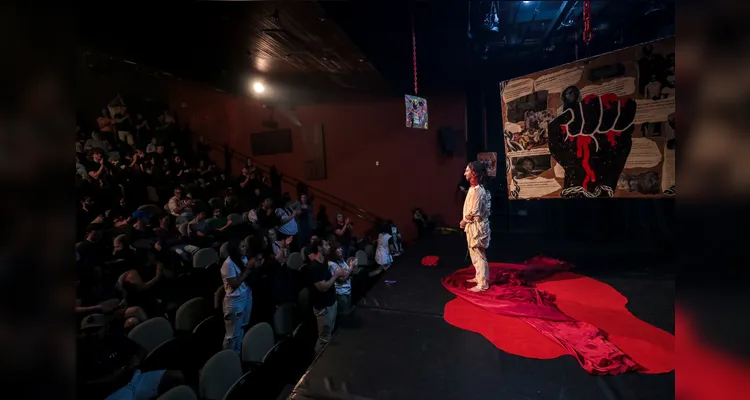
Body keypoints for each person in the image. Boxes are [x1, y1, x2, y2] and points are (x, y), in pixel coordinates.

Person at [305, 239, 346, 355]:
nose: (329, 247)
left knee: (329, 334)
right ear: (319, 248)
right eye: (326, 245)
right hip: (323, 307)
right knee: (323, 338)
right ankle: (316, 366)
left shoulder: (324, 263)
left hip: (331, 302)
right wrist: (336, 275)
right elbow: (322, 287)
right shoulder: (314, 267)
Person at [220, 238, 262, 354]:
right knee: (231, 335)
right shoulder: (228, 264)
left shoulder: (243, 258)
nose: (245, 248)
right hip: (235, 301)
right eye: (242, 247)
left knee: (242, 327)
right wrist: (248, 269)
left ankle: (237, 354)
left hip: (246, 295)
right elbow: (234, 284)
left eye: (245, 246)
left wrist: (255, 265)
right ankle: (227, 358)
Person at [459, 161, 492, 292]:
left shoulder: (478, 190)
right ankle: (479, 277)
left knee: (479, 253)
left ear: (474, 173)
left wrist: (464, 221)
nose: (465, 173)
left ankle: (483, 284)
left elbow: (474, 211)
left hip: (477, 226)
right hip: (473, 226)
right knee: (474, 253)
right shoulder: (474, 189)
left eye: (467, 171)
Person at [327, 241, 355, 316]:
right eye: (338, 248)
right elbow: (341, 280)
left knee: (348, 312)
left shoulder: (341, 260)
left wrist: (348, 270)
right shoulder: (332, 264)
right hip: (341, 293)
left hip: (348, 290)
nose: (341, 250)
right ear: (333, 251)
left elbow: (346, 273)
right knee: (344, 315)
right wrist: (351, 268)